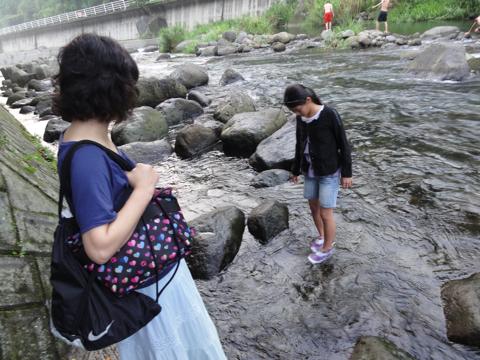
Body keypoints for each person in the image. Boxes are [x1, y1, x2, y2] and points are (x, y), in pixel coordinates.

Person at [53, 33, 226, 360]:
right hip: (142, 287)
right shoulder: (87, 157)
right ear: (111, 90)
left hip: (146, 277)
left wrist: (131, 178)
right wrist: (144, 188)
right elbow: (99, 246)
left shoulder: (91, 136)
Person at [284, 84, 352, 265]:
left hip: (329, 171)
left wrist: (347, 173)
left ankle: (328, 248)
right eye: (294, 111)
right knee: (313, 207)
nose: (297, 113)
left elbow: (344, 145)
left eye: (298, 109)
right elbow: (300, 144)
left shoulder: (329, 114)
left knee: (325, 212)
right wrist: (295, 169)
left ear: (308, 100)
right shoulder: (301, 118)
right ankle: (322, 237)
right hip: (310, 170)